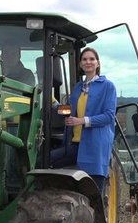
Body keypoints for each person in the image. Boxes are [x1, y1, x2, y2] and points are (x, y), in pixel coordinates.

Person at [49, 47, 117, 194]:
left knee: (93, 194)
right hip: (73, 145)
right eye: (85, 59)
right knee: (46, 160)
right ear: (80, 64)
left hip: (94, 147)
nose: (88, 62)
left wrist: (82, 121)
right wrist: (53, 103)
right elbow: (69, 110)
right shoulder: (79, 87)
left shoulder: (108, 86)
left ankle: (98, 216)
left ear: (98, 63)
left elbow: (109, 116)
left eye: (92, 59)